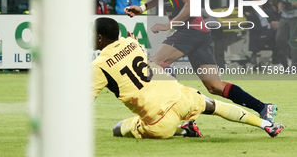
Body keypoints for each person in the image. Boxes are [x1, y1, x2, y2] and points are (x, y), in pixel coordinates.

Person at [124, 0, 278, 122]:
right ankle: (263, 107)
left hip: (191, 29)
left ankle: (172, 114)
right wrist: (141, 8)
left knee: (157, 63)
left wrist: (169, 25)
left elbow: (192, 4)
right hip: (198, 32)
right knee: (214, 86)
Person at [92, 17, 284, 139]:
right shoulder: (132, 43)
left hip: (159, 121)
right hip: (179, 97)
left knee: (118, 129)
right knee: (213, 105)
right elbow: (135, 48)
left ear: (100, 38)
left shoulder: (99, 65)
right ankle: (265, 124)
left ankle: (183, 130)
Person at [276, 0, 297, 68]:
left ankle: (295, 66)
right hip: (284, 16)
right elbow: (278, 2)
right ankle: (285, 65)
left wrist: (290, 4)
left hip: (295, 16)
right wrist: (277, 2)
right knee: (279, 39)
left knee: (294, 42)